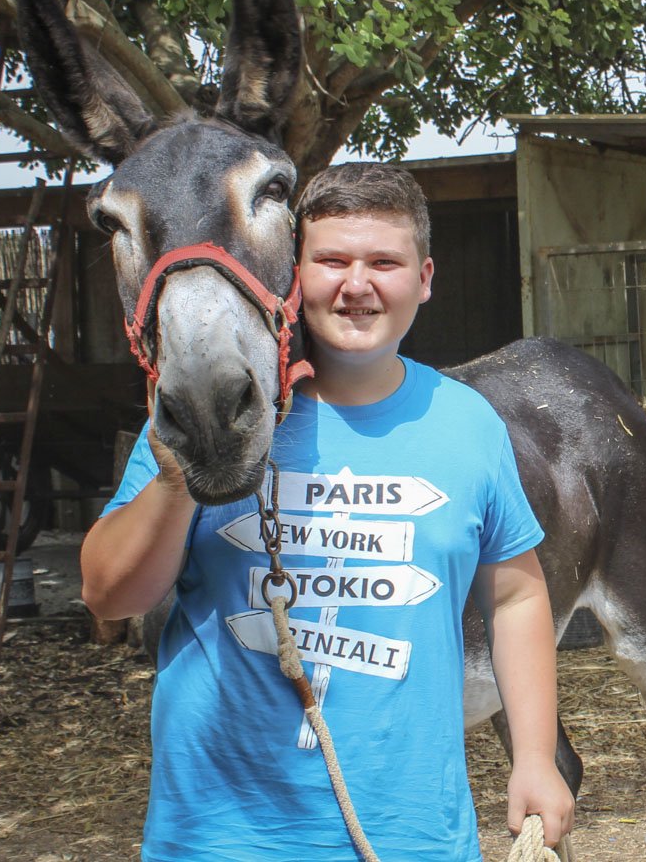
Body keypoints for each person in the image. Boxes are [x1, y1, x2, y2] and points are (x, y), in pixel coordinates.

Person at [81, 162, 575, 861]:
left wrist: (535, 756)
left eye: (384, 262)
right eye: (332, 260)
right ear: (291, 275)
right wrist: (176, 479)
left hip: (409, 835)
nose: (357, 284)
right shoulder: (213, 415)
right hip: (221, 837)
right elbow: (108, 593)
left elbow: (518, 595)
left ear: (425, 279)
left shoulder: (468, 424)